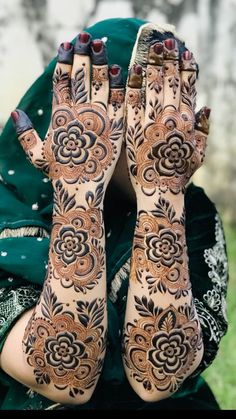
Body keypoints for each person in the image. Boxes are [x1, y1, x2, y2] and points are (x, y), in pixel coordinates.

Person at [0, 18, 228, 410]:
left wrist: (160, 195)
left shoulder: (194, 214)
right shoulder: (9, 214)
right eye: (147, 106)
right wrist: (79, 191)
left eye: (176, 103)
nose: (170, 126)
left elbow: (158, 380)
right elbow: (62, 378)